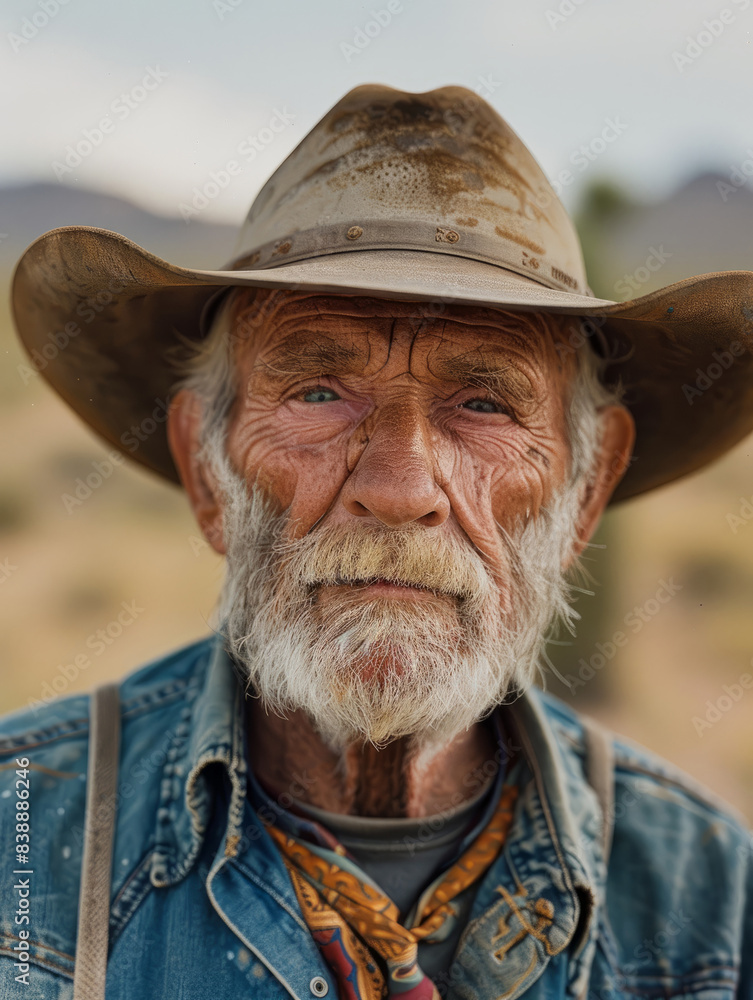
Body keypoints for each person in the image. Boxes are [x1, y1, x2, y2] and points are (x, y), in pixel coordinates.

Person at [2, 84, 752, 1000]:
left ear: (585, 491)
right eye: (318, 392)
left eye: (483, 403)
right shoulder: (22, 835)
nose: (398, 491)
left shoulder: (710, 896)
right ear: (206, 472)